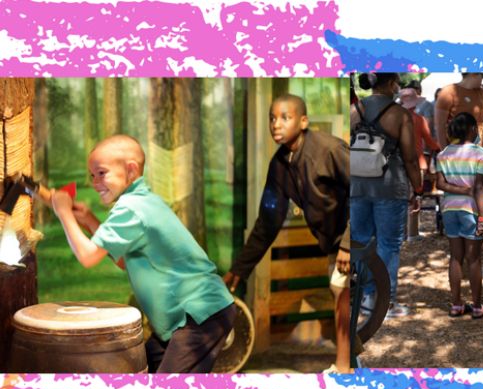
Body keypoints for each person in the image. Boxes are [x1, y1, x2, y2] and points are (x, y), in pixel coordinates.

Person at [50, 135, 236, 373]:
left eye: (102, 173)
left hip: (200, 315)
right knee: (139, 369)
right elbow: (124, 262)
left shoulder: (131, 209)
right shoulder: (142, 201)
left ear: (131, 170)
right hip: (185, 319)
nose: (95, 183)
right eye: (92, 175)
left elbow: (87, 257)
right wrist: (89, 220)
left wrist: (63, 212)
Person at [224, 93, 351, 317]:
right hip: (335, 246)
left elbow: (365, 192)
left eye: (285, 118)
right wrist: (239, 269)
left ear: (303, 121)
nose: (276, 124)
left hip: (356, 238)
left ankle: (350, 352)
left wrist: (350, 245)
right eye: (272, 119)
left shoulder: (330, 150)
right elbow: (268, 222)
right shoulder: (280, 165)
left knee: (344, 299)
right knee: (340, 297)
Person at [353, 73, 423, 318]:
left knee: (361, 242)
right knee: (388, 244)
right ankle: (385, 302)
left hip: (357, 186)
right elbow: (411, 158)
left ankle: (365, 297)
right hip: (390, 186)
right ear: (392, 84)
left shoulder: (355, 110)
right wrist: (418, 188)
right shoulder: (400, 114)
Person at [434, 112, 483, 319]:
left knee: (456, 257)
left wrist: (458, 191)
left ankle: (456, 304)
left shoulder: (442, 154)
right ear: (471, 130)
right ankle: (477, 306)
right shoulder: (481, 154)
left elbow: (440, 184)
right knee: (474, 259)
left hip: (449, 209)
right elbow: (479, 187)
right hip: (471, 211)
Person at [398, 87, 441, 242]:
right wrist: (440, 147)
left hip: (397, 165)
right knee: (415, 198)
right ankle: (412, 233)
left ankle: (400, 233)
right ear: (415, 104)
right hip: (417, 164)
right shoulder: (419, 119)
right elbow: (430, 142)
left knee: (399, 199)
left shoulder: (392, 120)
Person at [435, 73, 483, 151]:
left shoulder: (482, 93)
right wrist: (444, 151)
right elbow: (440, 126)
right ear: (473, 74)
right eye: (482, 75)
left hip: (479, 149)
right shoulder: (448, 92)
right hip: (457, 150)